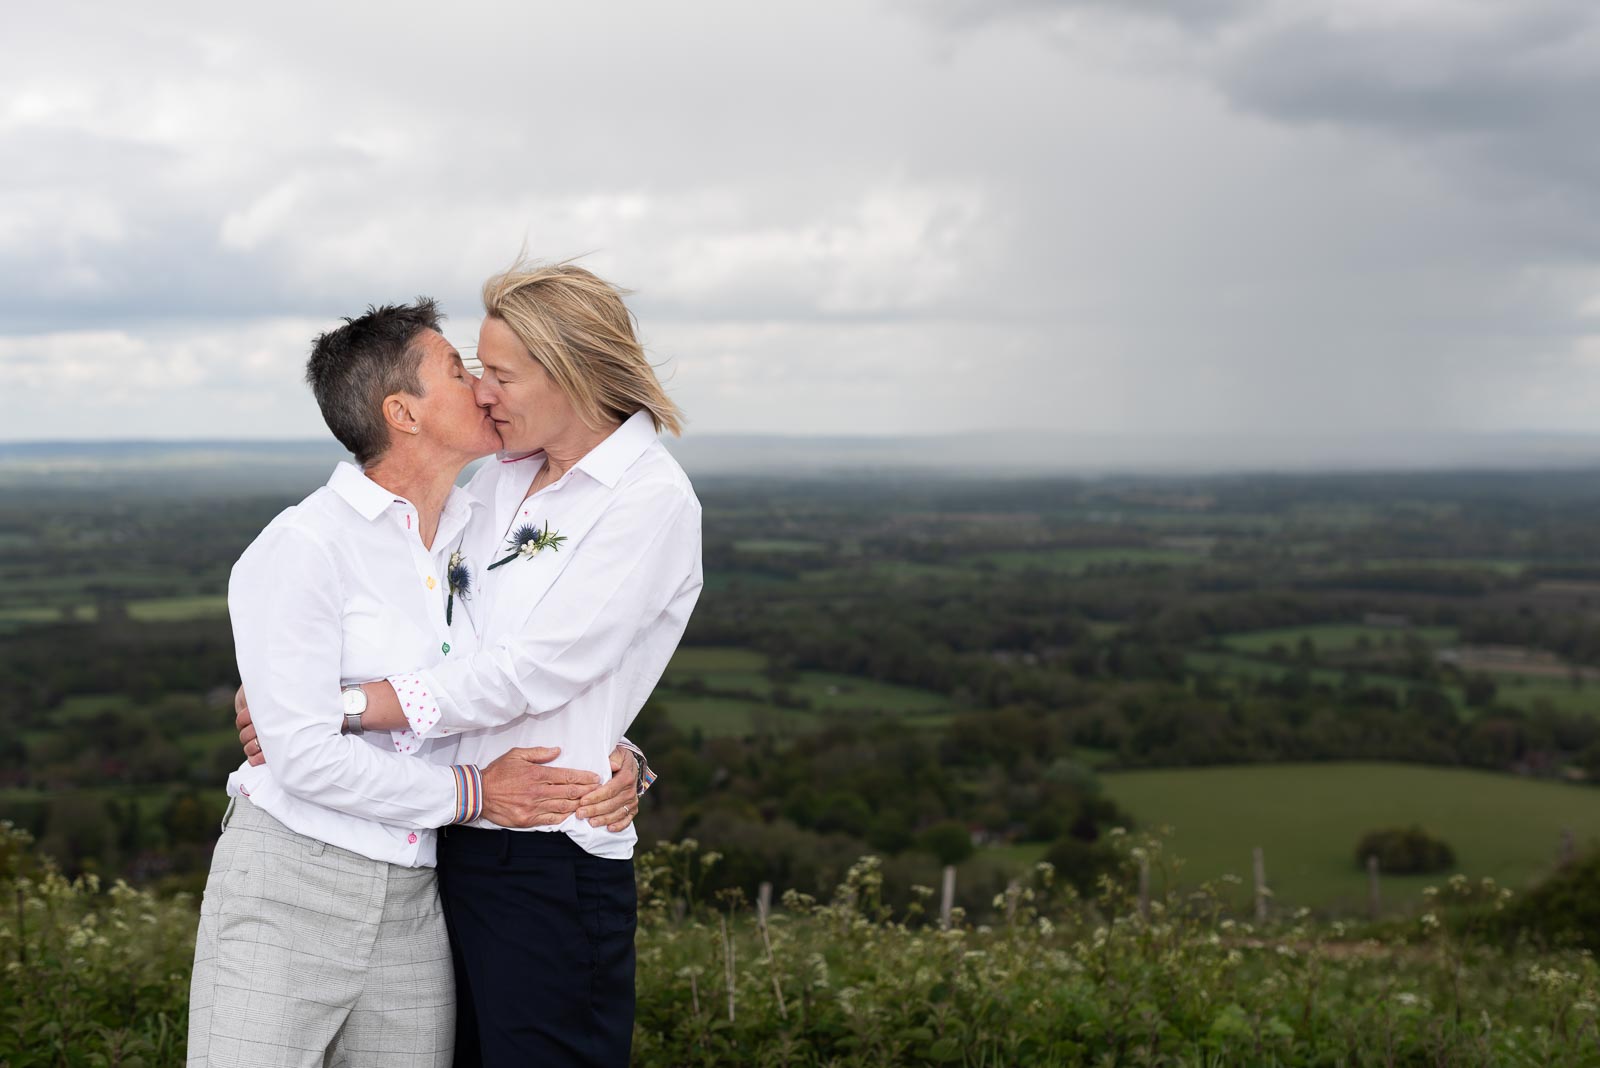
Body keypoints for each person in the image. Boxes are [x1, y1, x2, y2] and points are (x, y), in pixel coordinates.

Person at [245, 262, 703, 1065]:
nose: (484, 392)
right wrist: (287, 695)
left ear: (570, 371)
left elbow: (535, 671)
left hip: (547, 852)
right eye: (474, 371)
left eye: (499, 374)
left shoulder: (648, 499)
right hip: (444, 841)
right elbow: (406, 608)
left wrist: (344, 706)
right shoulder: (493, 484)